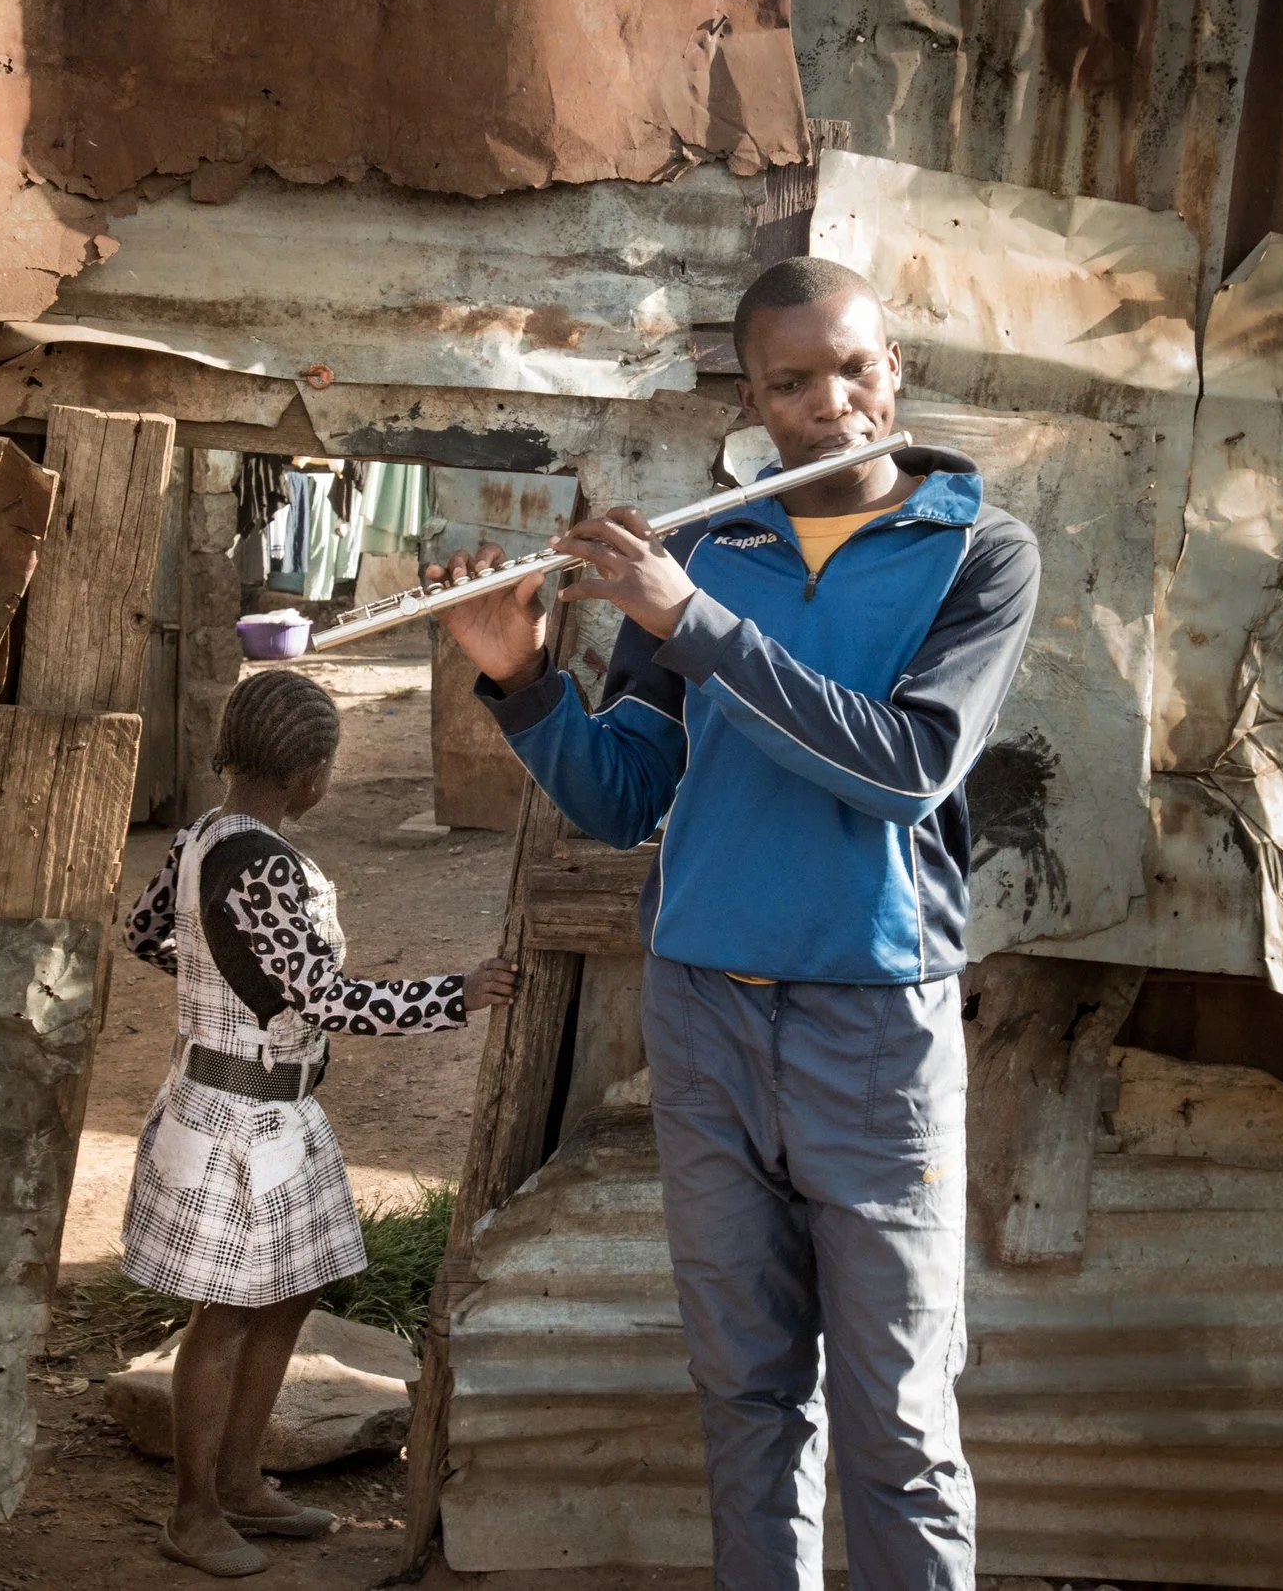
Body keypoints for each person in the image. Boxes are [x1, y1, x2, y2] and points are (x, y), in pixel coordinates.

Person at [429, 256, 1040, 1591]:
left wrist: (691, 620)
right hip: (704, 1012)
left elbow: (901, 766)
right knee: (748, 1394)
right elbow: (624, 794)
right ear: (754, 400)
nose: (832, 404)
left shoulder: (976, 550)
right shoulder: (711, 546)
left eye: (855, 368)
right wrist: (524, 679)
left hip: (873, 1025)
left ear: (898, 370)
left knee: (898, 1416)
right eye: (792, 381)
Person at [118, 669, 519, 1579]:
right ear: (310, 774)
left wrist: (214, 991)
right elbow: (324, 998)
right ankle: (194, 1512)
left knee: (287, 1291)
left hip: (257, 1110)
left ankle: (240, 1480)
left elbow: (149, 935)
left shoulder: (200, 837)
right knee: (225, 1312)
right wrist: (452, 995)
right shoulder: (262, 863)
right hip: (238, 1119)